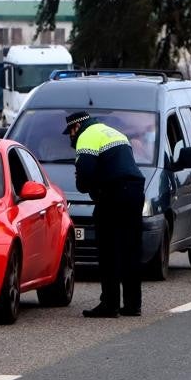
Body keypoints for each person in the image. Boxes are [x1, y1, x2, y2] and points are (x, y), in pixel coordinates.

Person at [65, 111, 146, 318]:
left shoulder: (87, 135)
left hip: (114, 194)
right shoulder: (114, 133)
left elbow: (84, 171)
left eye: (71, 133)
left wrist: (87, 187)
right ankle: (132, 304)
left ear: (76, 127)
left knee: (109, 250)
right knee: (130, 248)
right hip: (135, 191)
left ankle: (110, 305)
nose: (71, 138)